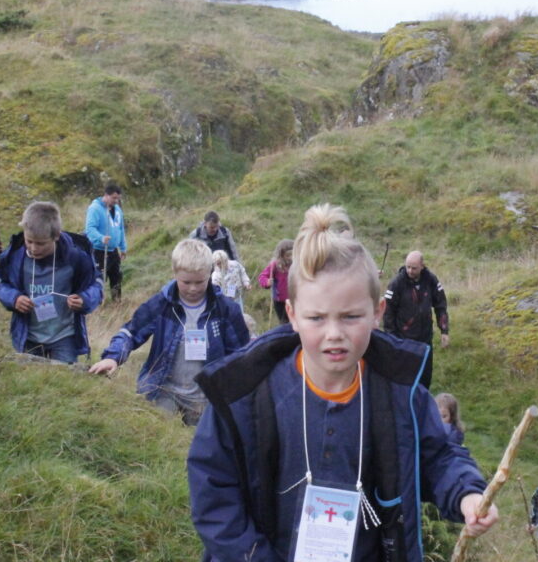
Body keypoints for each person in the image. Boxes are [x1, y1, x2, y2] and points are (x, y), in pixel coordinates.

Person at [187, 204, 498, 561]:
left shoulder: (400, 392)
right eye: (316, 318)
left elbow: (439, 456)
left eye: (351, 317)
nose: (334, 334)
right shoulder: (245, 392)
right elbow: (213, 491)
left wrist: (467, 494)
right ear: (292, 316)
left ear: (378, 313)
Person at [88, 239, 250, 425]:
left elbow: (242, 355)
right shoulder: (161, 304)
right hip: (163, 392)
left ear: (210, 273)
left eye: (200, 282)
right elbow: (131, 332)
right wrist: (113, 357)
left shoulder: (227, 310)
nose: (193, 288)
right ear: (175, 273)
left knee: (197, 448)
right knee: (161, 440)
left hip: (206, 398)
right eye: (186, 281)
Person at [0, 202, 102, 364]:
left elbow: (97, 285)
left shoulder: (77, 256)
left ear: (56, 236)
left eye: (41, 243)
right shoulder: (14, 254)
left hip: (65, 336)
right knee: (31, 386)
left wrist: (84, 299)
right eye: (29, 241)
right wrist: (14, 298)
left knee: (63, 384)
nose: (33, 248)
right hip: (28, 336)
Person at [381, 250, 450, 390]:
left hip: (425, 340)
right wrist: (393, 340)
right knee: (406, 381)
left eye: (414, 268)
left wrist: (444, 330)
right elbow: (387, 313)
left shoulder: (431, 280)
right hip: (404, 341)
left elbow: (441, 305)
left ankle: (423, 406)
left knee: (425, 379)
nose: (410, 271)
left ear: (422, 266)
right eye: (408, 267)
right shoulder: (396, 283)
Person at [85, 183, 126, 302]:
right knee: (99, 279)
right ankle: (97, 303)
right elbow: (90, 229)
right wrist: (101, 238)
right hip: (99, 251)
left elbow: (121, 229)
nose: (116, 201)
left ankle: (117, 302)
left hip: (113, 251)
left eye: (118, 198)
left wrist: (123, 247)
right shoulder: (95, 208)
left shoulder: (118, 209)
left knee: (117, 276)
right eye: (114, 198)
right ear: (106, 195)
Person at [256, 239, 293, 327]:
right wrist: (267, 282)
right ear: (281, 254)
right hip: (280, 301)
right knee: (284, 322)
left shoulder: (296, 264)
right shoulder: (275, 265)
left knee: (295, 320)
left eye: (293, 254)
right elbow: (262, 277)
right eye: (288, 255)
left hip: (294, 298)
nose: (291, 257)